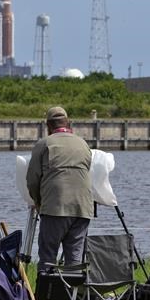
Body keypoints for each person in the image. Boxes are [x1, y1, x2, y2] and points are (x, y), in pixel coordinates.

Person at [26, 107, 93, 272]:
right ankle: (72, 296)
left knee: (48, 257)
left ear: (48, 125)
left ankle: (46, 297)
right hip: (83, 208)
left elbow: (32, 180)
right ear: (68, 123)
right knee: (75, 259)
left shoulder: (44, 144)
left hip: (55, 207)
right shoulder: (83, 144)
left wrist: (38, 202)